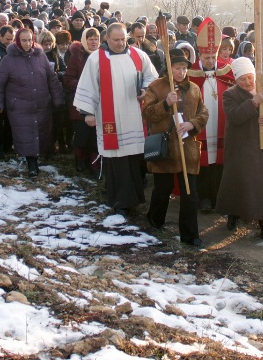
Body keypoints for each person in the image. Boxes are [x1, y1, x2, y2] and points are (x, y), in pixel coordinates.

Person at [73, 23, 159, 213]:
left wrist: (146, 91)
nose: (121, 44)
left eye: (123, 39)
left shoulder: (138, 54)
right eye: (116, 40)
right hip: (109, 116)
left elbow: (152, 78)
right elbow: (88, 85)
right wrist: (87, 113)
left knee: (134, 158)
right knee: (116, 158)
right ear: (107, 39)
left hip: (134, 115)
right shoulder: (96, 59)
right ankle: (119, 200)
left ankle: (136, 198)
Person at [141, 48, 209, 246]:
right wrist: (165, 103)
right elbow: (147, 114)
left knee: (190, 193)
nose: (181, 72)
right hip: (166, 147)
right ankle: (155, 221)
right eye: (177, 68)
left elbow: (203, 113)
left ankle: (190, 235)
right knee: (163, 188)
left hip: (187, 148)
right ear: (169, 69)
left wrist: (192, 124)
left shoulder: (194, 89)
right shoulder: (155, 87)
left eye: (184, 68)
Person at [216, 56, 263, 244]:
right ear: (236, 80)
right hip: (241, 146)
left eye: (250, 77)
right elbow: (235, 116)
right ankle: (234, 213)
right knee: (240, 182)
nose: (247, 82)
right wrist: (254, 102)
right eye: (243, 79)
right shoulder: (230, 94)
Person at [0, 27, 65, 178]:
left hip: (40, 104)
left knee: (39, 132)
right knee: (25, 134)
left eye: (30, 40)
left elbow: (51, 79)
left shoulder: (40, 56)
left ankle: (38, 157)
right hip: (19, 106)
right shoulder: (8, 59)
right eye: (24, 40)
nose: (27, 43)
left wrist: (58, 99)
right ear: (18, 41)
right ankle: (32, 163)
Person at [186, 18, 234, 213]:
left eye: (213, 57)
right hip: (201, 128)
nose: (211, 61)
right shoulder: (191, 75)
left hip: (222, 126)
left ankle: (218, 197)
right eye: (206, 58)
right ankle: (204, 198)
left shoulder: (227, 72)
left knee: (219, 165)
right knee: (203, 163)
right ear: (199, 55)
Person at [64, 27, 102, 175]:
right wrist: (83, 84)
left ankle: (94, 163)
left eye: (96, 39)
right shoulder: (77, 56)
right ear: (84, 40)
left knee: (95, 137)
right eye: (90, 39)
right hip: (80, 103)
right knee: (82, 135)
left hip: (98, 103)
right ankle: (79, 160)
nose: (93, 42)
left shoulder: (103, 56)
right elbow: (67, 79)